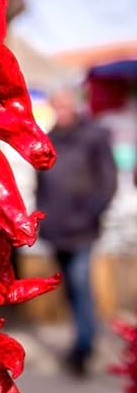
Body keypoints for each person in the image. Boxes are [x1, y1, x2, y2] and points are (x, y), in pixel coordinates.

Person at [36, 87, 117, 376]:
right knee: (69, 286)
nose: (63, 109)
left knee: (81, 285)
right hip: (56, 228)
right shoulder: (48, 138)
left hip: (82, 228)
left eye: (67, 103)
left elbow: (108, 181)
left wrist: (89, 213)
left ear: (75, 105)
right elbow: (41, 182)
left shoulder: (93, 135)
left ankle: (83, 346)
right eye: (58, 104)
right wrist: (41, 217)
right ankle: (80, 340)